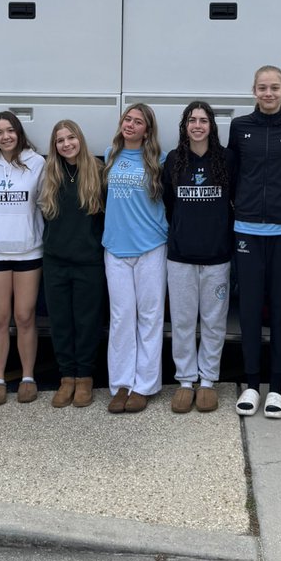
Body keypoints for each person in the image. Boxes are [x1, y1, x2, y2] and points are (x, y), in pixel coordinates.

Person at [229, 65, 281, 419]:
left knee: (278, 310)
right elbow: (232, 173)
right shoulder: (240, 126)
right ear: (254, 90)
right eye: (262, 87)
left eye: (275, 87)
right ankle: (251, 385)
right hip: (246, 230)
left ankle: (276, 389)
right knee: (248, 310)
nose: (269, 93)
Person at [163, 101, 236, 412]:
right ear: (185, 125)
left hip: (217, 256)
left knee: (213, 321)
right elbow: (169, 203)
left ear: (211, 126)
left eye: (203, 120)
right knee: (181, 321)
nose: (197, 125)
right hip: (180, 256)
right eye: (192, 120)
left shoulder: (227, 159)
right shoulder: (173, 160)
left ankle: (207, 380)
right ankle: (184, 380)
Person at [102, 103, 168, 413]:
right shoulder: (110, 155)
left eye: (138, 121)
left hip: (150, 246)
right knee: (121, 317)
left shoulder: (158, 159)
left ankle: (144, 385)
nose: (130, 124)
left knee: (150, 317)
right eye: (127, 119)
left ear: (147, 129)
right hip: (116, 248)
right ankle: (121, 384)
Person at [39, 120, 106, 408]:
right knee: (61, 322)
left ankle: (85, 378)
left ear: (80, 138)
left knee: (87, 322)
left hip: (88, 261)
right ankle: (67, 377)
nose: (66, 144)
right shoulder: (49, 173)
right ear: (54, 146)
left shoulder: (98, 172)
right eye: (60, 140)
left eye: (71, 138)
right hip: (55, 260)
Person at [0, 112, 45, 406]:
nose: (5, 137)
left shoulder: (37, 163)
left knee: (24, 316)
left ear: (19, 132)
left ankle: (28, 377)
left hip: (28, 250)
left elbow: (46, 202)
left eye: (10, 131)